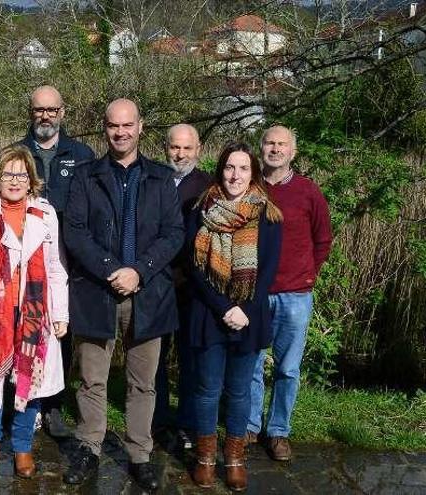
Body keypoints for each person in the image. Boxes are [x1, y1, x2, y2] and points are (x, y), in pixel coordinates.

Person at [62, 99, 185, 491]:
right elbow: (75, 232)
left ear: (140, 127)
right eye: (113, 125)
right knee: (92, 380)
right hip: (98, 292)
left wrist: (139, 271)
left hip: (147, 293)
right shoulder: (85, 176)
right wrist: (111, 269)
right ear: (105, 128)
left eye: (127, 125)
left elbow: (173, 234)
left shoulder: (162, 178)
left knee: (143, 382)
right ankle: (89, 446)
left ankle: (139, 453)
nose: (120, 132)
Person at [0, 145, 69, 481]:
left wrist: (59, 312)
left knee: (28, 380)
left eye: (21, 174)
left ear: (31, 179)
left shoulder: (46, 215)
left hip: (34, 314)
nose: (15, 180)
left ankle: (22, 445)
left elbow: (56, 267)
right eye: (8, 173)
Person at [186, 142, 283, 492]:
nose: (235, 175)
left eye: (243, 169)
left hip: (250, 316)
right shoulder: (201, 210)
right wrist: (223, 307)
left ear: (253, 174)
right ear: (220, 170)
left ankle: (236, 460)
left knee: (240, 392)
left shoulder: (267, 215)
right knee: (208, 390)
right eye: (229, 167)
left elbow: (269, 269)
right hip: (210, 313)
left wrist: (244, 309)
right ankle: (205, 458)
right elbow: (194, 268)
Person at [247, 125, 333, 461]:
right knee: (251, 362)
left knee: (288, 368)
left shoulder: (308, 191)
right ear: (261, 148)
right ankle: (250, 425)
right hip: (255, 292)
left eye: (282, 144)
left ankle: (278, 430)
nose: (275, 149)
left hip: (295, 294)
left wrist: (308, 274)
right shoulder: (249, 187)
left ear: (292, 152)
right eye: (269, 142)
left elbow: (322, 239)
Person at [18, 85, 95, 437]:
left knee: (61, 334)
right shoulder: (16, 154)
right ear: (31, 112)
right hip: (26, 262)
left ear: (63, 112)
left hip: (70, 263)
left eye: (51, 109)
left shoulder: (82, 155)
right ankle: (25, 401)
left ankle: (53, 405)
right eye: (39, 110)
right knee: (27, 333)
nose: (45, 116)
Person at [153, 124, 213, 449]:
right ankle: (159, 420)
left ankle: (188, 424)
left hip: (193, 287)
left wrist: (188, 273)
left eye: (187, 148)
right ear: (166, 148)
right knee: (155, 358)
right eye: (175, 147)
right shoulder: (154, 180)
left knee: (192, 357)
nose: (181, 154)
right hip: (158, 284)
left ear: (198, 149)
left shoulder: (208, 186)